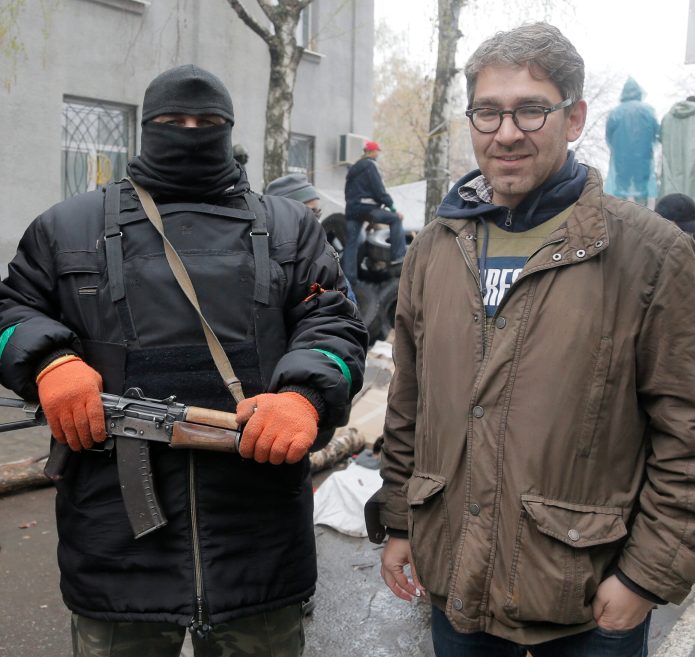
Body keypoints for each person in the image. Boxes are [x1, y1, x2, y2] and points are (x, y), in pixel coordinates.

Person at [365, 23, 695, 657]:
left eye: (531, 109)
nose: (506, 132)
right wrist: (400, 520)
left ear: (574, 117)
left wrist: (646, 575)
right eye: (488, 111)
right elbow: (410, 405)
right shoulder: (433, 250)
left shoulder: (647, 254)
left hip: (585, 606)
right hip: (455, 591)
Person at [0, 64, 367, 656]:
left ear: (229, 129)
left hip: (259, 548)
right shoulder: (68, 227)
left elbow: (338, 326)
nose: (191, 132)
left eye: (209, 122)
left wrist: (305, 394)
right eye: (173, 121)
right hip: (115, 552)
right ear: (147, 128)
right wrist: (49, 361)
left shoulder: (289, 229)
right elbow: (9, 312)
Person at [265, 172, 358, 306]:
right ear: (284, 216)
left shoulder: (325, 261)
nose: (316, 222)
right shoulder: (261, 262)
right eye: (309, 213)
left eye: (318, 213)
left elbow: (350, 314)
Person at [342, 140, 407, 287]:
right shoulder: (371, 165)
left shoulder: (353, 168)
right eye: (377, 151)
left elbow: (347, 191)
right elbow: (379, 190)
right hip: (367, 208)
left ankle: (348, 280)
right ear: (372, 152)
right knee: (395, 220)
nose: (378, 154)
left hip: (352, 209)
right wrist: (392, 208)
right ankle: (398, 257)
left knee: (351, 244)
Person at [605, 77, 659, 206]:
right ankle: (642, 220)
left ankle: (621, 219)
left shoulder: (615, 112)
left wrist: (617, 147)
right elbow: (656, 132)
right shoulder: (647, 110)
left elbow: (609, 136)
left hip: (621, 158)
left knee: (620, 192)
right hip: (643, 157)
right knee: (643, 189)